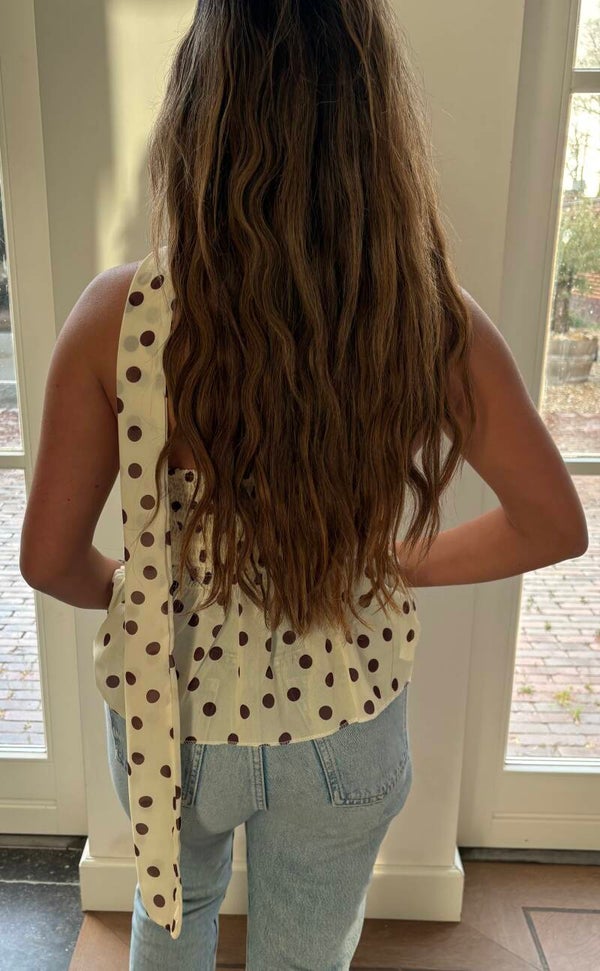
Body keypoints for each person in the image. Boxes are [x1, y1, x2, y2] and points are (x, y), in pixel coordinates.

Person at [20, 1, 588, 969]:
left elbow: (48, 559)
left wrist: (145, 586)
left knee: (170, 917)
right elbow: (551, 523)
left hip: (171, 710)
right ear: (373, 132)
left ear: (198, 118)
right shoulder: (426, 317)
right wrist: (390, 565)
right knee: (306, 957)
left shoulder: (121, 315)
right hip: (345, 718)